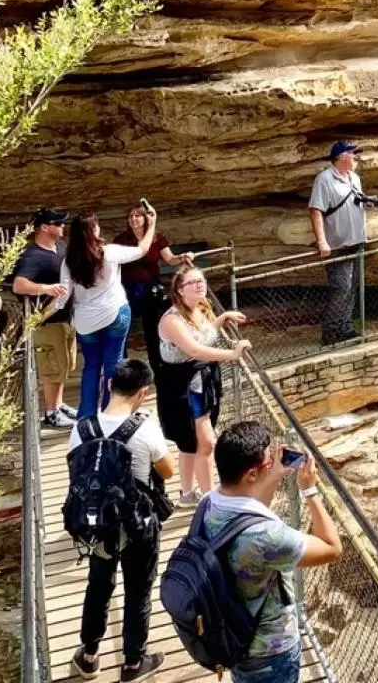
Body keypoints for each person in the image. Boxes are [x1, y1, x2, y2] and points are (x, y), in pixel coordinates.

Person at [206, 421, 342, 683]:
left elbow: (247, 510)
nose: (271, 465)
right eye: (268, 463)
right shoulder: (265, 537)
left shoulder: (209, 503)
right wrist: (310, 491)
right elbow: (332, 548)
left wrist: (275, 474)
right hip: (269, 650)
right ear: (251, 475)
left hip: (233, 632)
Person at [68, 359, 176, 683]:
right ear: (142, 392)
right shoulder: (145, 429)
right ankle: (133, 663)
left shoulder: (81, 428)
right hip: (138, 526)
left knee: (98, 584)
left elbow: (75, 473)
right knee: (138, 590)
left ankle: (89, 656)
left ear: (108, 386)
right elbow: (168, 470)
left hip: (98, 525)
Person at [49, 207, 159, 419]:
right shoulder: (109, 252)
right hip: (115, 312)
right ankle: (112, 413)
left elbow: (63, 296)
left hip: (86, 320)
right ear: (94, 229)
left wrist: (43, 314)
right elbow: (142, 249)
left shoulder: (69, 260)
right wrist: (152, 224)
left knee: (91, 367)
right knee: (113, 365)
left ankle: (86, 416)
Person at [157, 264, 249, 508]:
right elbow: (194, 349)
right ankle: (211, 502)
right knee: (206, 443)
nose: (199, 285)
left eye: (201, 281)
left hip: (202, 381)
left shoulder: (200, 309)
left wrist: (223, 318)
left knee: (190, 444)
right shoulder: (172, 320)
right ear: (179, 290)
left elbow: (205, 335)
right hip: (184, 386)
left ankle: (187, 494)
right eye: (192, 283)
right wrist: (233, 354)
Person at [12, 208, 78, 428]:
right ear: (44, 227)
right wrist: (45, 288)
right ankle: (50, 412)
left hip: (65, 316)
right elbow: (19, 285)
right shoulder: (33, 256)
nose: (62, 227)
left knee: (64, 364)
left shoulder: (60, 247)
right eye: (57, 224)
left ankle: (58, 405)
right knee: (51, 366)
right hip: (46, 320)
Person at [113, 204, 194, 372]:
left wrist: (183, 257)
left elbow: (170, 259)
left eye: (137, 216)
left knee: (153, 329)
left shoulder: (157, 238)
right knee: (123, 328)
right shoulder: (122, 240)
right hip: (128, 288)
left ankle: (158, 365)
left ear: (146, 218)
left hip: (151, 289)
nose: (133, 219)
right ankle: (124, 368)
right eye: (130, 216)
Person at [308, 140, 368, 345]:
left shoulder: (354, 178)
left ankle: (346, 327)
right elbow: (316, 210)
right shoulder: (324, 179)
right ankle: (331, 332)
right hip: (337, 244)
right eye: (353, 154)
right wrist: (322, 241)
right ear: (342, 156)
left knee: (352, 287)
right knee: (340, 288)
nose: (356, 157)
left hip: (356, 241)